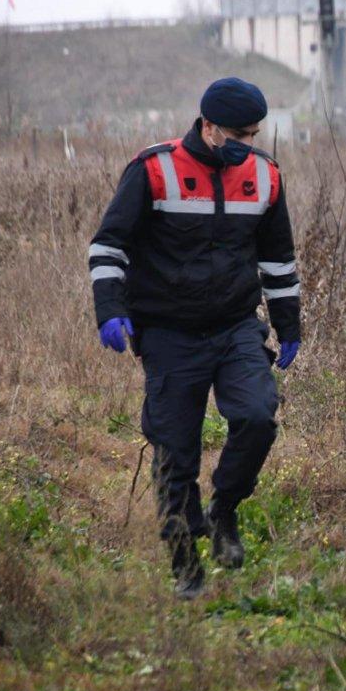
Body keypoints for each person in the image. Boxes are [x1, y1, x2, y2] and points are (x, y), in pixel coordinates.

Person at [87, 77, 302, 599]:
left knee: (258, 417)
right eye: (237, 135)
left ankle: (224, 509)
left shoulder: (265, 176)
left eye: (253, 135)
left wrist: (289, 325)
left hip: (235, 327)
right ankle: (185, 563)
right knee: (174, 450)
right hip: (168, 333)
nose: (246, 145)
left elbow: (278, 260)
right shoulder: (153, 170)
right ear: (208, 126)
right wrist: (110, 310)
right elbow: (108, 246)